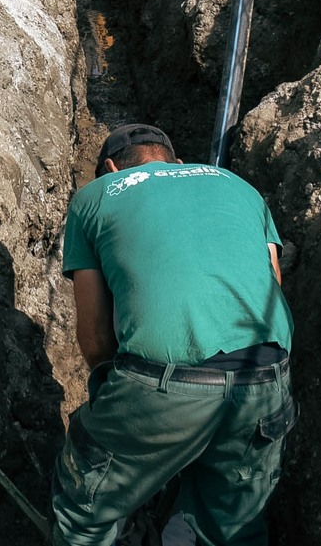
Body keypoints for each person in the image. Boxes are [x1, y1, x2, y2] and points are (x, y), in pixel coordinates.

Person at [51, 124, 296, 546]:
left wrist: (124, 404)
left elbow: (93, 336)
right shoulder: (240, 186)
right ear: (178, 164)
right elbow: (272, 279)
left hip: (163, 385)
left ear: (110, 169)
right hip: (267, 378)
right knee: (233, 527)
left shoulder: (96, 196)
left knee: (85, 510)